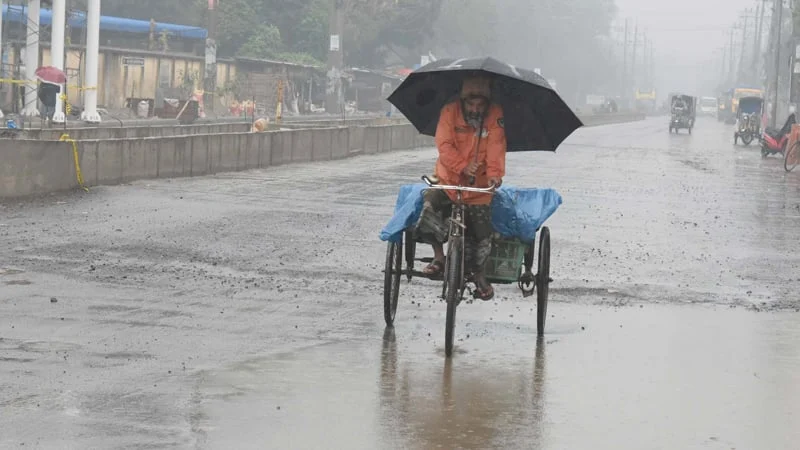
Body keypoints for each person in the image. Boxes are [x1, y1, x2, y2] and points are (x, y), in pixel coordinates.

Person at [418, 74, 507, 301]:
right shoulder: (449, 112)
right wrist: (463, 166)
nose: (475, 110)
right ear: (463, 101)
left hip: (479, 188)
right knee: (429, 206)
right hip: (448, 181)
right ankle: (439, 257)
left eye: (480, 105)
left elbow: (496, 146)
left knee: (482, 234)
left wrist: (495, 175)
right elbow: (444, 145)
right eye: (471, 104)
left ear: (487, 104)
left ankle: (478, 274)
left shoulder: (495, 115)